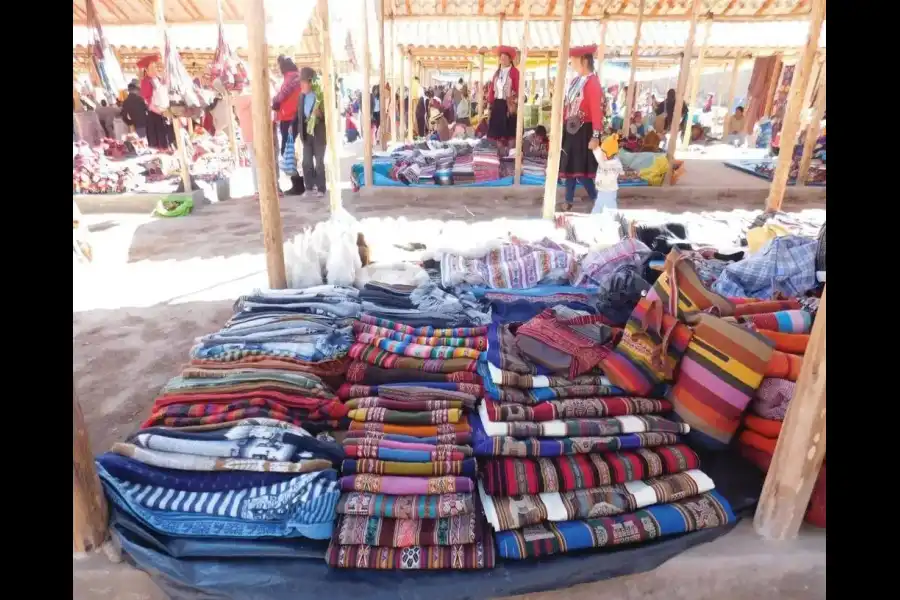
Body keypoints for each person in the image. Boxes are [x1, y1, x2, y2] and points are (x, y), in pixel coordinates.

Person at [559, 45, 604, 212]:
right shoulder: (575, 81)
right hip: (571, 129)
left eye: (574, 60)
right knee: (570, 166)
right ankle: (568, 199)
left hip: (585, 129)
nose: (571, 63)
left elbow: (596, 110)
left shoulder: (593, 82)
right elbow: (568, 106)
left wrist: (596, 135)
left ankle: (596, 197)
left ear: (584, 61)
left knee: (580, 170)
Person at [272, 56, 304, 195]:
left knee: (288, 150)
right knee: (294, 150)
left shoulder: (291, 78)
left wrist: (274, 101)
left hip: (289, 117)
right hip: (296, 116)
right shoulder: (298, 77)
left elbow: (281, 97)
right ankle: (301, 183)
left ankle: (298, 184)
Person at [298, 67, 326, 198]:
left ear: (311, 82)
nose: (302, 85)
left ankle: (321, 188)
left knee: (319, 162)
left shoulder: (320, 95)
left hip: (319, 133)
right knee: (306, 162)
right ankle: (309, 187)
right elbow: (298, 115)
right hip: (306, 133)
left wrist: (320, 114)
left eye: (304, 82)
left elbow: (328, 116)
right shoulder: (301, 97)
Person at [138, 54, 175, 150]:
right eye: (152, 67)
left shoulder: (159, 79)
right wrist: (159, 111)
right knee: (158, 141)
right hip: (155, 115)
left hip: (164, 113)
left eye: (155, 67)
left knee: (168, 137)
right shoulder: (145, 81)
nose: (155, 69)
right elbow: (147, 101)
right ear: (146, 69)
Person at [487, 45, 520, 148]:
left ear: (510, 59)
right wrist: (489, 103)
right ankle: (499, 153)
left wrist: (514, 100)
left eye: (505, 57)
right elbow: (492, 90)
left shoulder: (515, 72)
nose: (503, 59)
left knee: (509, 132)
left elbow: (519, 89)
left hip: (508, 105)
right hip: (497, 105)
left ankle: (509, 154)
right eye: (501, 57)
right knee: (496, 132)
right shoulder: (497, 73)